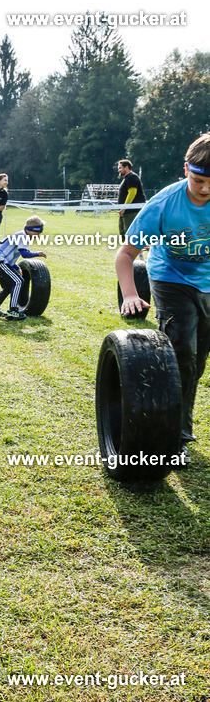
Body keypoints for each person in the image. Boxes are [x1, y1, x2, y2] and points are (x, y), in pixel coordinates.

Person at [116, 133, 210, 461]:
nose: (205, 189)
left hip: (208, 282)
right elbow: (126, 254)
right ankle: (175, 437)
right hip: (171, 278)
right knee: (182, 353)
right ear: (186, 170)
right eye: (199, 180)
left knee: (196, 363)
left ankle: (179, 420)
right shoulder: (164, 204)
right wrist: (129, 294)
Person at [0, 216, 47, 321]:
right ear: (30, 230)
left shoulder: (21, 235)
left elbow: (11, 253)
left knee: (8, 286)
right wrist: (38, 253)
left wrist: (16, 266)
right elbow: (24, 254)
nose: (37, 236)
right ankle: (13, 311)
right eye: (37, 233)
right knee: (18, 281)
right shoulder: (22, 236)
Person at [117, 159, 146, 240]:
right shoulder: (127, 179)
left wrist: (124, 208)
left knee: (131, 236)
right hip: (126, 212)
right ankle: (138, 252)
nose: (118, 170)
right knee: (124, 234)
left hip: (132, 211)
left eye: (120, 168)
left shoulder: (132, 178)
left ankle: (136, 252)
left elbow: (132, 193)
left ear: (126, 167)